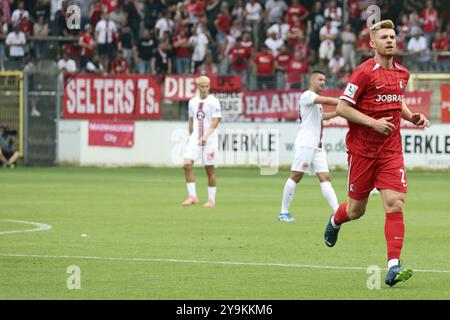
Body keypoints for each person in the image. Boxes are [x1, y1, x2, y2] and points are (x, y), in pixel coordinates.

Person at [323, 20, 430, 287]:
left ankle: (393, 266)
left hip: (391, 151)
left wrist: (411, 116)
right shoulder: (363, 73)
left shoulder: (402, 73)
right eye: (384, 37)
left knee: (395, 203)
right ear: (373, 43)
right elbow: (343, 108)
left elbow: (397, 98)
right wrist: (372, 123)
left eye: (393, 36)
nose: (390, 41)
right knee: (356, 210)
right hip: (362, 152)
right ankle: (336, 220)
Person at [278, 71, 340, 222]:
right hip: (306, 144)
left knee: (325, 178)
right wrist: (343, 102)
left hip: (318, 146)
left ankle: (338, 212)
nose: (323, 82)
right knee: (296, 176)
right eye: (320, 79)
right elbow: (326, 100)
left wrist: (339, 112)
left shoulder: (314, 102)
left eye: (324, 79)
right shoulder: (307, 95)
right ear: (312, 81)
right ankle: (283, 212)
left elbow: (322, 117)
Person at [182, 76, 222, 208]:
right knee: (187, 164)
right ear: (197, 87)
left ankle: (211, 200)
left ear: (209, 86)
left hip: (209, 139)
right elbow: (191, 119)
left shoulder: (214, 102)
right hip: (195, 138)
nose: (204, 89)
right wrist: (190, 135)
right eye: (202, 86)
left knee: (209, 169)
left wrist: (206, 136)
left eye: (206, 86)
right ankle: (192, 196)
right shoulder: (192, 102)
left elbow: (216, 120)